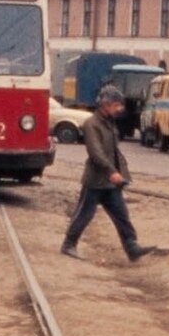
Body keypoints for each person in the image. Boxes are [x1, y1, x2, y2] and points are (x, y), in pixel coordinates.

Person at [61, 85, 146, 262]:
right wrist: (111, 171)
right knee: (84, 213)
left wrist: (119, 174)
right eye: (116, 105)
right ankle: (69, 244)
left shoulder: (109, 123)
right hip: (96, 180)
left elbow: (113, 151)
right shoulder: (91, 124)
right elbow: (96, 152)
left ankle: (131, 246)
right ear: (105, 105)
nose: (119, 109)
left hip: (112, 181)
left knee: (121, 214)